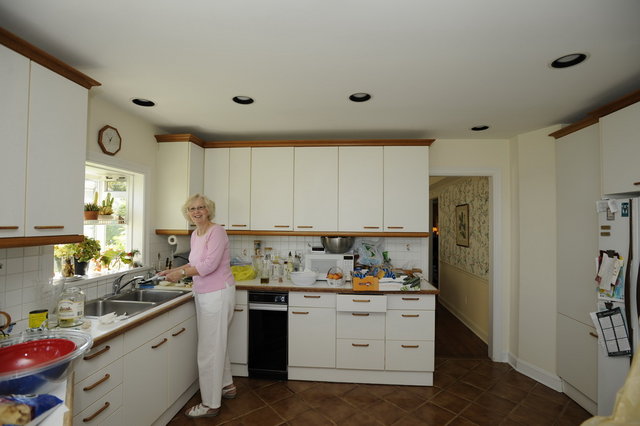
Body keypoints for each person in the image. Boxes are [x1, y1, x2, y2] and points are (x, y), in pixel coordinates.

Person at [159, 194, 236, 418]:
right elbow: (195, 263)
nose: (197, 211)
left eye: (201, 207)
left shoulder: (217, 231)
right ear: (187, 213)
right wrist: (171, 271)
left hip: (217, 294)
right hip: (205, 293)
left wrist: (181, 273)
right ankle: (227, 386)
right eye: (192, 209)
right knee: (216, 343)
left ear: (209, 210)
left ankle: (211, 404)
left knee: (209, 350)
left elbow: (210, 265)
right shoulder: (195, 234)